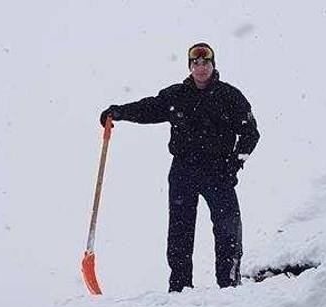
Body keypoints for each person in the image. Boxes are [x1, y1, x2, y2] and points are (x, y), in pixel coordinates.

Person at [100, 42, 260, 292]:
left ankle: (229, 285)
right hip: (183, 169)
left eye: (205, 63)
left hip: (218, 171)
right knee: (180, 230)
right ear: (190, 67)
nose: (201, 68)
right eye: (195, 63)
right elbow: (148, 108)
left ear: (213, 65)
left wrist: (235, 163)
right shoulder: (176, 95)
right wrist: (118, 112)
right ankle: (180, 288)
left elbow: (251, 133)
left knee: (228, 226)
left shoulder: (230, 96)